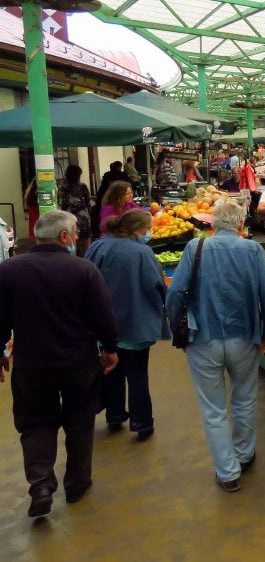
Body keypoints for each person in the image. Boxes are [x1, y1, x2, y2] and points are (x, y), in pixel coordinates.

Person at [0, 210, 118, 517]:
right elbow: (102, 317)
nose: (78, 237)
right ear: (63, 237)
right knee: (80, 421)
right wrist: (110, 348)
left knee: (36, 423)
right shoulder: (83, 270)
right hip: (77, 362)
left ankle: (40, 484)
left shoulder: (9, 270)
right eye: (76, 232)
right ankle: (77, 484)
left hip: (31, 363)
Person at [166, 199, 265, 492]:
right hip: (244, 337)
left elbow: (176, 293)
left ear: (212, 224)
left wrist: (177, 328)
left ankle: (228, 473)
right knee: (244, 399)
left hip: (203, 337)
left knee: (213, 409)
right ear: (241, 224)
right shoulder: (253, 249)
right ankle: (244, 454)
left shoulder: (196, 248)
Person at [85, 210, 168, 441]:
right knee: (138, 373)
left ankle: (114, 414)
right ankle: (142, 423)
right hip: (136, 322)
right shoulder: (142, 252)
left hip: (104, 324)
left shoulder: (98, 247)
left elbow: (85, 278)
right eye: (147, 229)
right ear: (138, 230)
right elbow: (156, 285)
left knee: (111, 369)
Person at [58, 164, 93, 256]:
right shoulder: (83, 186)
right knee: (85, 242)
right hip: (84, 216)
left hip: (69, 217)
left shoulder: (63, 187)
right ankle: (86, 261)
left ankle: (73, 261)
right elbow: (88, 201)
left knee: (71, 240)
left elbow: (63, 203)